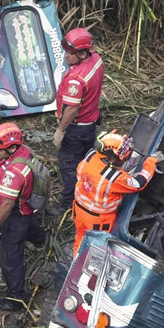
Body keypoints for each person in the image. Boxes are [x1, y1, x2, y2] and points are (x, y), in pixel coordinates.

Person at [0, 124, 49, 312]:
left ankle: (16, 298)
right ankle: (40, 239)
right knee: (29, 226)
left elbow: (7, 206)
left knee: (10, 259)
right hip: (25, 209)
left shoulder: (14, 173)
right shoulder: (24, 152)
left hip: (15, 215)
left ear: (11, 148)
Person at [72, 133, 163, 256]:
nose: (125, 158)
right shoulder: (113, 178)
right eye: (123, 157)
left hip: (79, 210)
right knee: (97, 248)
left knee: (81, 238)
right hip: (98, 220)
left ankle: (76, 261)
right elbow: (139, 183)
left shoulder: (91, 155)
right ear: (110, 159)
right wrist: (151, 162)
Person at [53, 26, 105, 212]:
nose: (66, 55)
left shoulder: (75, 78)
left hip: (76, 129)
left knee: (68, 165)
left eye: (71, 53)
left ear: (82, 54)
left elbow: (72, 109)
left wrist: (60, 131)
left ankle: (69, 204)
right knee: (87, 160)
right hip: (91, 123)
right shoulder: (97, 60)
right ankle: (89, 190)